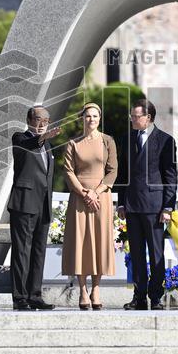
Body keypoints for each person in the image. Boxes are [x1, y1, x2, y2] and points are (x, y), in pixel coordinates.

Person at [116, 99, 177, 311]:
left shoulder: (165, 140)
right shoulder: (127, 138)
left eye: (136, 116)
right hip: (132, 205)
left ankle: (156, 296)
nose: (132, 119)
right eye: (131, 116)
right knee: (137, 254)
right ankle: (139, 296)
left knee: (156, 253)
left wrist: (168, 207)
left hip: (155, 206)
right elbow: (122, 174)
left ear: (148, 118)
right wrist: (121, 202)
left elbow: (170, 176)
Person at [61, 102, 118, 310]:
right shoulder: (73, 143)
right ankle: (83, 290)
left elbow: (112, 171)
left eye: (95, 116)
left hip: (101, 198)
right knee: (80, 244)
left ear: (99, 119)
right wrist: (84, 192)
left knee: (99, 243)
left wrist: (97, 191)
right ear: (82, 118)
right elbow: (68, 172)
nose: (91, 120)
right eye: (87, 116)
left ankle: (96, 288)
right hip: (79, 198)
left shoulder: (107, 141)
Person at [7, 105, 59, 311]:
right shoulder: (19, 138)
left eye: (46, 120)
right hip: (24, 203)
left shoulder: (47, 145)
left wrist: (46, 138)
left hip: (43, 204)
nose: (42, 124)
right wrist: (43, 137)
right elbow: (29, 144)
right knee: (22, 251)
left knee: (38, 251)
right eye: (38, 119)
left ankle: (35, 294)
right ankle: (20, 297)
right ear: (29, 120)